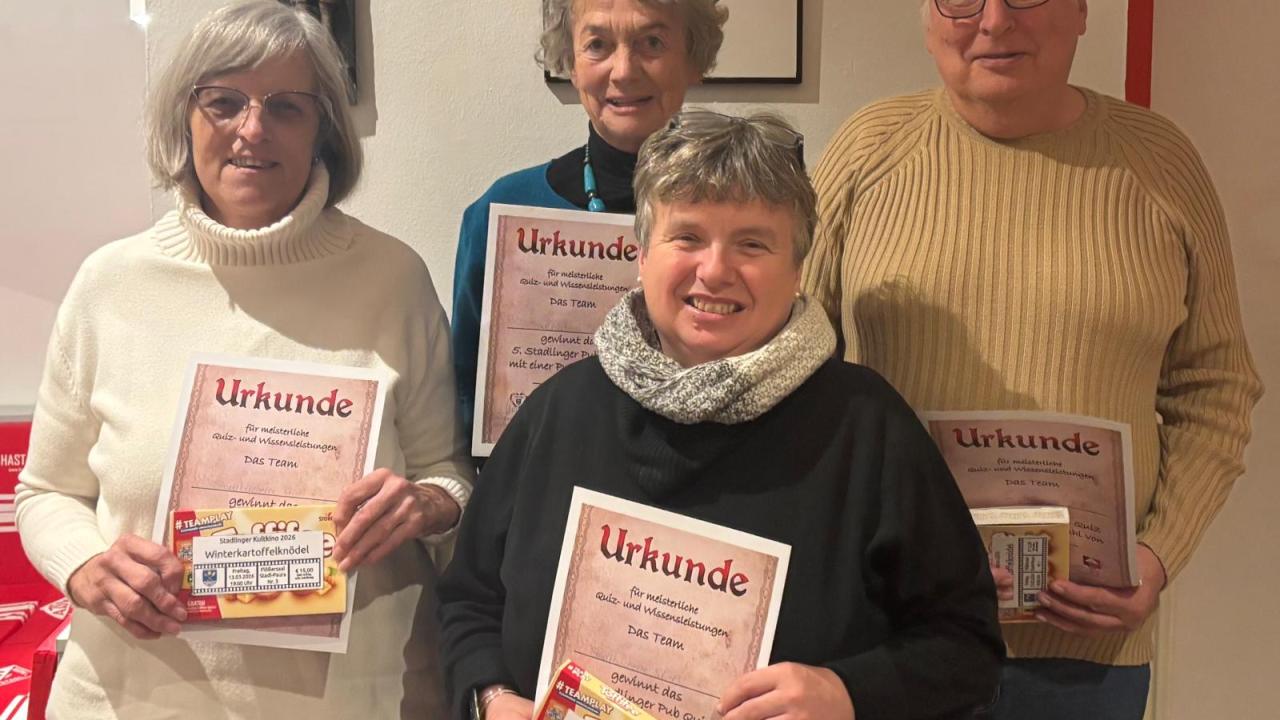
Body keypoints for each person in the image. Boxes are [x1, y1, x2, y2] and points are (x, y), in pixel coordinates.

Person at [438, 111, 1004, 720]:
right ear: (641, 254)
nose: (714, 270)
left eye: (752, 244)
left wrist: (847, 694)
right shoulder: (559, 410)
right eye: (687, 237)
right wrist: (492, 698)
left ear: (797, 268)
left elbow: (965, 644)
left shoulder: (868, 427)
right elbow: (470, 598)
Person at [802, 1, 1264, 717]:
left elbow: (1216, 386)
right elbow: (793, 364)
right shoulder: (869, 147)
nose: (994, 21)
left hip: (1083, 656)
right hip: (892, 633)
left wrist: (1159, 554)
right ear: (926, 16)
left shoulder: (1160, 160)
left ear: (1080, 11)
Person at [14, 2, 472, 717]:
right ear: (184, 119)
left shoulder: (392, 279)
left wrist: (428, 503)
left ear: (323, 130)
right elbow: (45, 492)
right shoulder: (109, 284)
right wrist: (85, 567)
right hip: (132, 699)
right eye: (224, 102)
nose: (252, 130)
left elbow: (450, 475)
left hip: (354, 701)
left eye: (286, 107)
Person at [450, 0, 728, 437]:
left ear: (694, 58)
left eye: (652, 42)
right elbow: (465, 395)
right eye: (598, 45)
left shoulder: (748, 214)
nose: (624, 71)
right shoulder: (503, 210)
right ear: (571, 63)